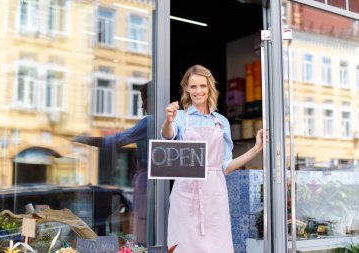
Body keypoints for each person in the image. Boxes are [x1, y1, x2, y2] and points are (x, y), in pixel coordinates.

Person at [161, 65, 264, 253]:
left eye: (202, 86)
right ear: (187, 89)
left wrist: (256, 149)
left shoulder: (221, 121)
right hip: (186, 190)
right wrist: (168, 120)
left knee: (216, 245)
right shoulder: (181, 117)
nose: (198, 91)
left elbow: (226, 165)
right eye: (193, 87)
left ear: (209, 87)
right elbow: (168, 137)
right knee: (184, 244)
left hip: (214, 190)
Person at [73, 82, 153, 245]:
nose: (142, 105)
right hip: (150, 182)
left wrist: (83, 139)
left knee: (143, 227)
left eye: (144, 99)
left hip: (147, 183)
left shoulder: (150, 122)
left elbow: (115, 140)